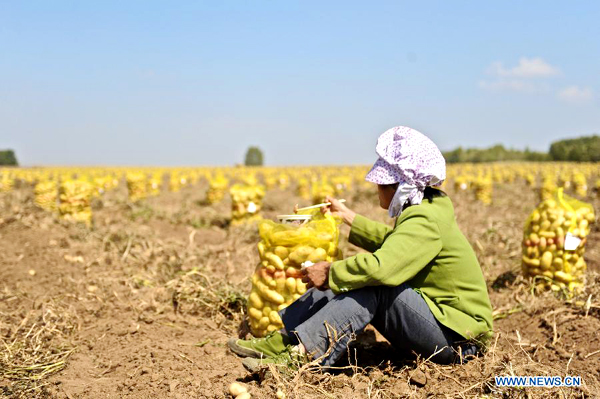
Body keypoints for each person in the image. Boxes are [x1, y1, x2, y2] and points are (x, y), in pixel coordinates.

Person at [228, 126, 493, 372]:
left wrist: (331, 272)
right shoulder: (427, 211)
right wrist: (347, 217)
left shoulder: (425, 219)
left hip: (459, 341)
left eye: (380, 182)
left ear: (398, 186)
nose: (376, 188)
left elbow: (384, 268)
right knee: (356, 275)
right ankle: (286, 339)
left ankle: (304, 355)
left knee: (372, 283)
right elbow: (397, 244)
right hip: (443, 325)